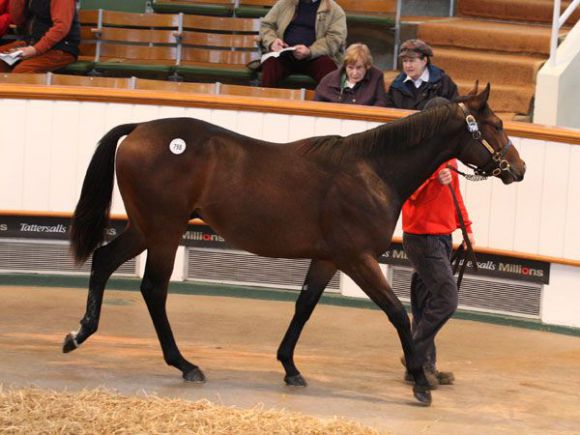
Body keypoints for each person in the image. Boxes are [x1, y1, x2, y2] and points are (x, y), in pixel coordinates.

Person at [401, 96, 475, 389]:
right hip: (422, 237)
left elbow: (454, 195)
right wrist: (434, 180)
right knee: (446, 299)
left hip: (441, 236)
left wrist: (465, 228)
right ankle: (415, 355)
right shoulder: (415, 154)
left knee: (426, 302)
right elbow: (407, 191)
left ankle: (423, 365)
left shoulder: (447, 155)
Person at [259, 0, 347, 88]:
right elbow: (266, 26)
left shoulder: (334, 10)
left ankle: (330, 100)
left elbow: (334, 39)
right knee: (271, 63)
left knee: (329, 69)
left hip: (316, 57)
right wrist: (272, 41)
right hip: (284, 54)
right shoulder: (285, 3)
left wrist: (310, 51)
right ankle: (265, 101)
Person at [0, 0, 80, 74]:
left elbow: (61, 28)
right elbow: (18, 21)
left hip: (59, 49)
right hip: (30, 43)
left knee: (22, 71)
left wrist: (35, 49)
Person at [385, 39, 458, 110]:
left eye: (411, 61)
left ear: (424, 60)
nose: (407, 65)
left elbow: (455, 110)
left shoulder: (443, 82)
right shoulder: (396, 85)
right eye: (405, 61)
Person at [314, 43, 386, 106]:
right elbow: (316, 104)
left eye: (359, 68)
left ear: (367, 66)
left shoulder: (376, 76)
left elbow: (381, 102)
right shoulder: (329, 80)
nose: (354, 73)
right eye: (350, 68)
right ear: (345, 66)